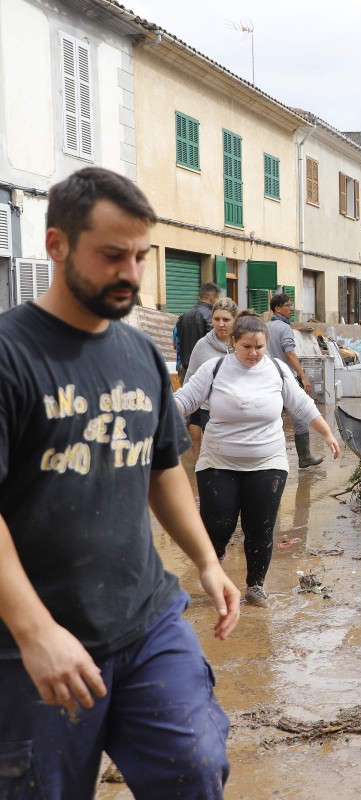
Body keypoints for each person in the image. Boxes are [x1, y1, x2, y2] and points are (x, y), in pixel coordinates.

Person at [0, 167, 240, 797]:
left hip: (146, 619)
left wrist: (206, 562)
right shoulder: (9, 356)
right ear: (56, 245)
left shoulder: (138, 354)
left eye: (139, 255)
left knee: (195, 766)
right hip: (29, 647)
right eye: (112, 255)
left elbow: (163, 468)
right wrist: (34, 631)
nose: (131, 273)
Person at [174, 310, 341, 608]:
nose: (254, 353)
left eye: (259, 347)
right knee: (218, 525)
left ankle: (255, 586)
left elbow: (301, 404)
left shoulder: (277, 369)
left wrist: (327, 433)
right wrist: (156, 414)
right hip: (218, 461)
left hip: (268, 461)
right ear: (233, 343)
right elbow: (185, 399)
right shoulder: (215, 368)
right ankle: (215, 561)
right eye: (247, 347)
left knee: (260, 526)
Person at [266, 292, 323, 468]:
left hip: (267, 377)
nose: (292, 309)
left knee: (270, 419)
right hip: (285, 378)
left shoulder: (265, 327)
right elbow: (289, 353)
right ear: (277, 308)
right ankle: (305, 458)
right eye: (288, 305)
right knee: (299, 416)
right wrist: (303, 376)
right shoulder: (284, 328)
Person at [183, 296, 238, 452]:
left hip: (238, 410)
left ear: (235, 320)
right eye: (216, 319)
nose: (220, 324)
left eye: (226, 320)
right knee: (216, 455)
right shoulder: (202, 346)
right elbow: (190, 380)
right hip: (210, 411)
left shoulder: (243, 344)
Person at [176, 281, 220, 377]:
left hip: (186, 370)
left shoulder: (183, 317)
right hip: (206, 372)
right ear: (212, 299)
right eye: (217, 300)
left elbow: (177, 344)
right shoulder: (212, 317)